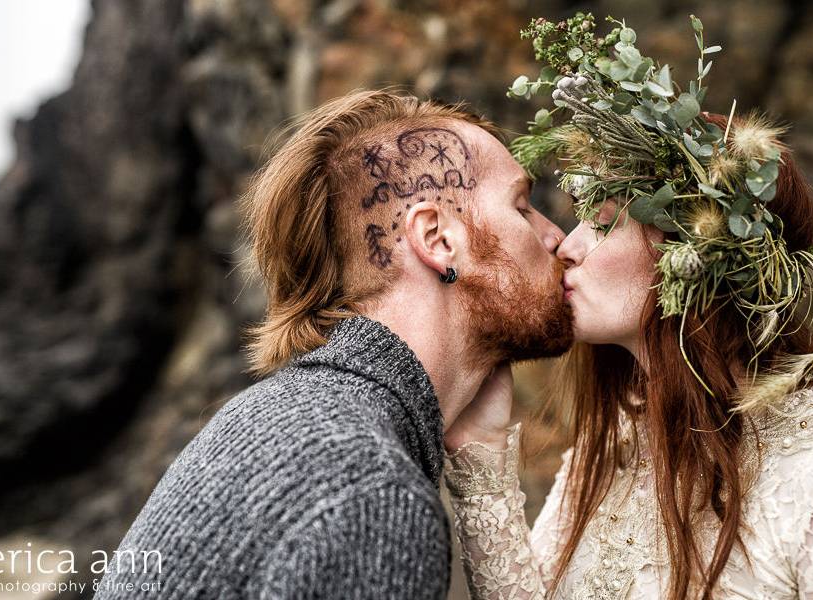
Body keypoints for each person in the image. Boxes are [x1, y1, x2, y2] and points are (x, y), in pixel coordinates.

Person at [441, 13, 813, 600]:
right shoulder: (614, 447)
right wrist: (484, 459)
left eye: (599, 223)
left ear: (694, 250)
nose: (567, 248)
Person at [94, 89, 574, 599]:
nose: (555, 237)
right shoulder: (372, 494)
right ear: (436, 239)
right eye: (522, 207)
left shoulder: (275, 415)